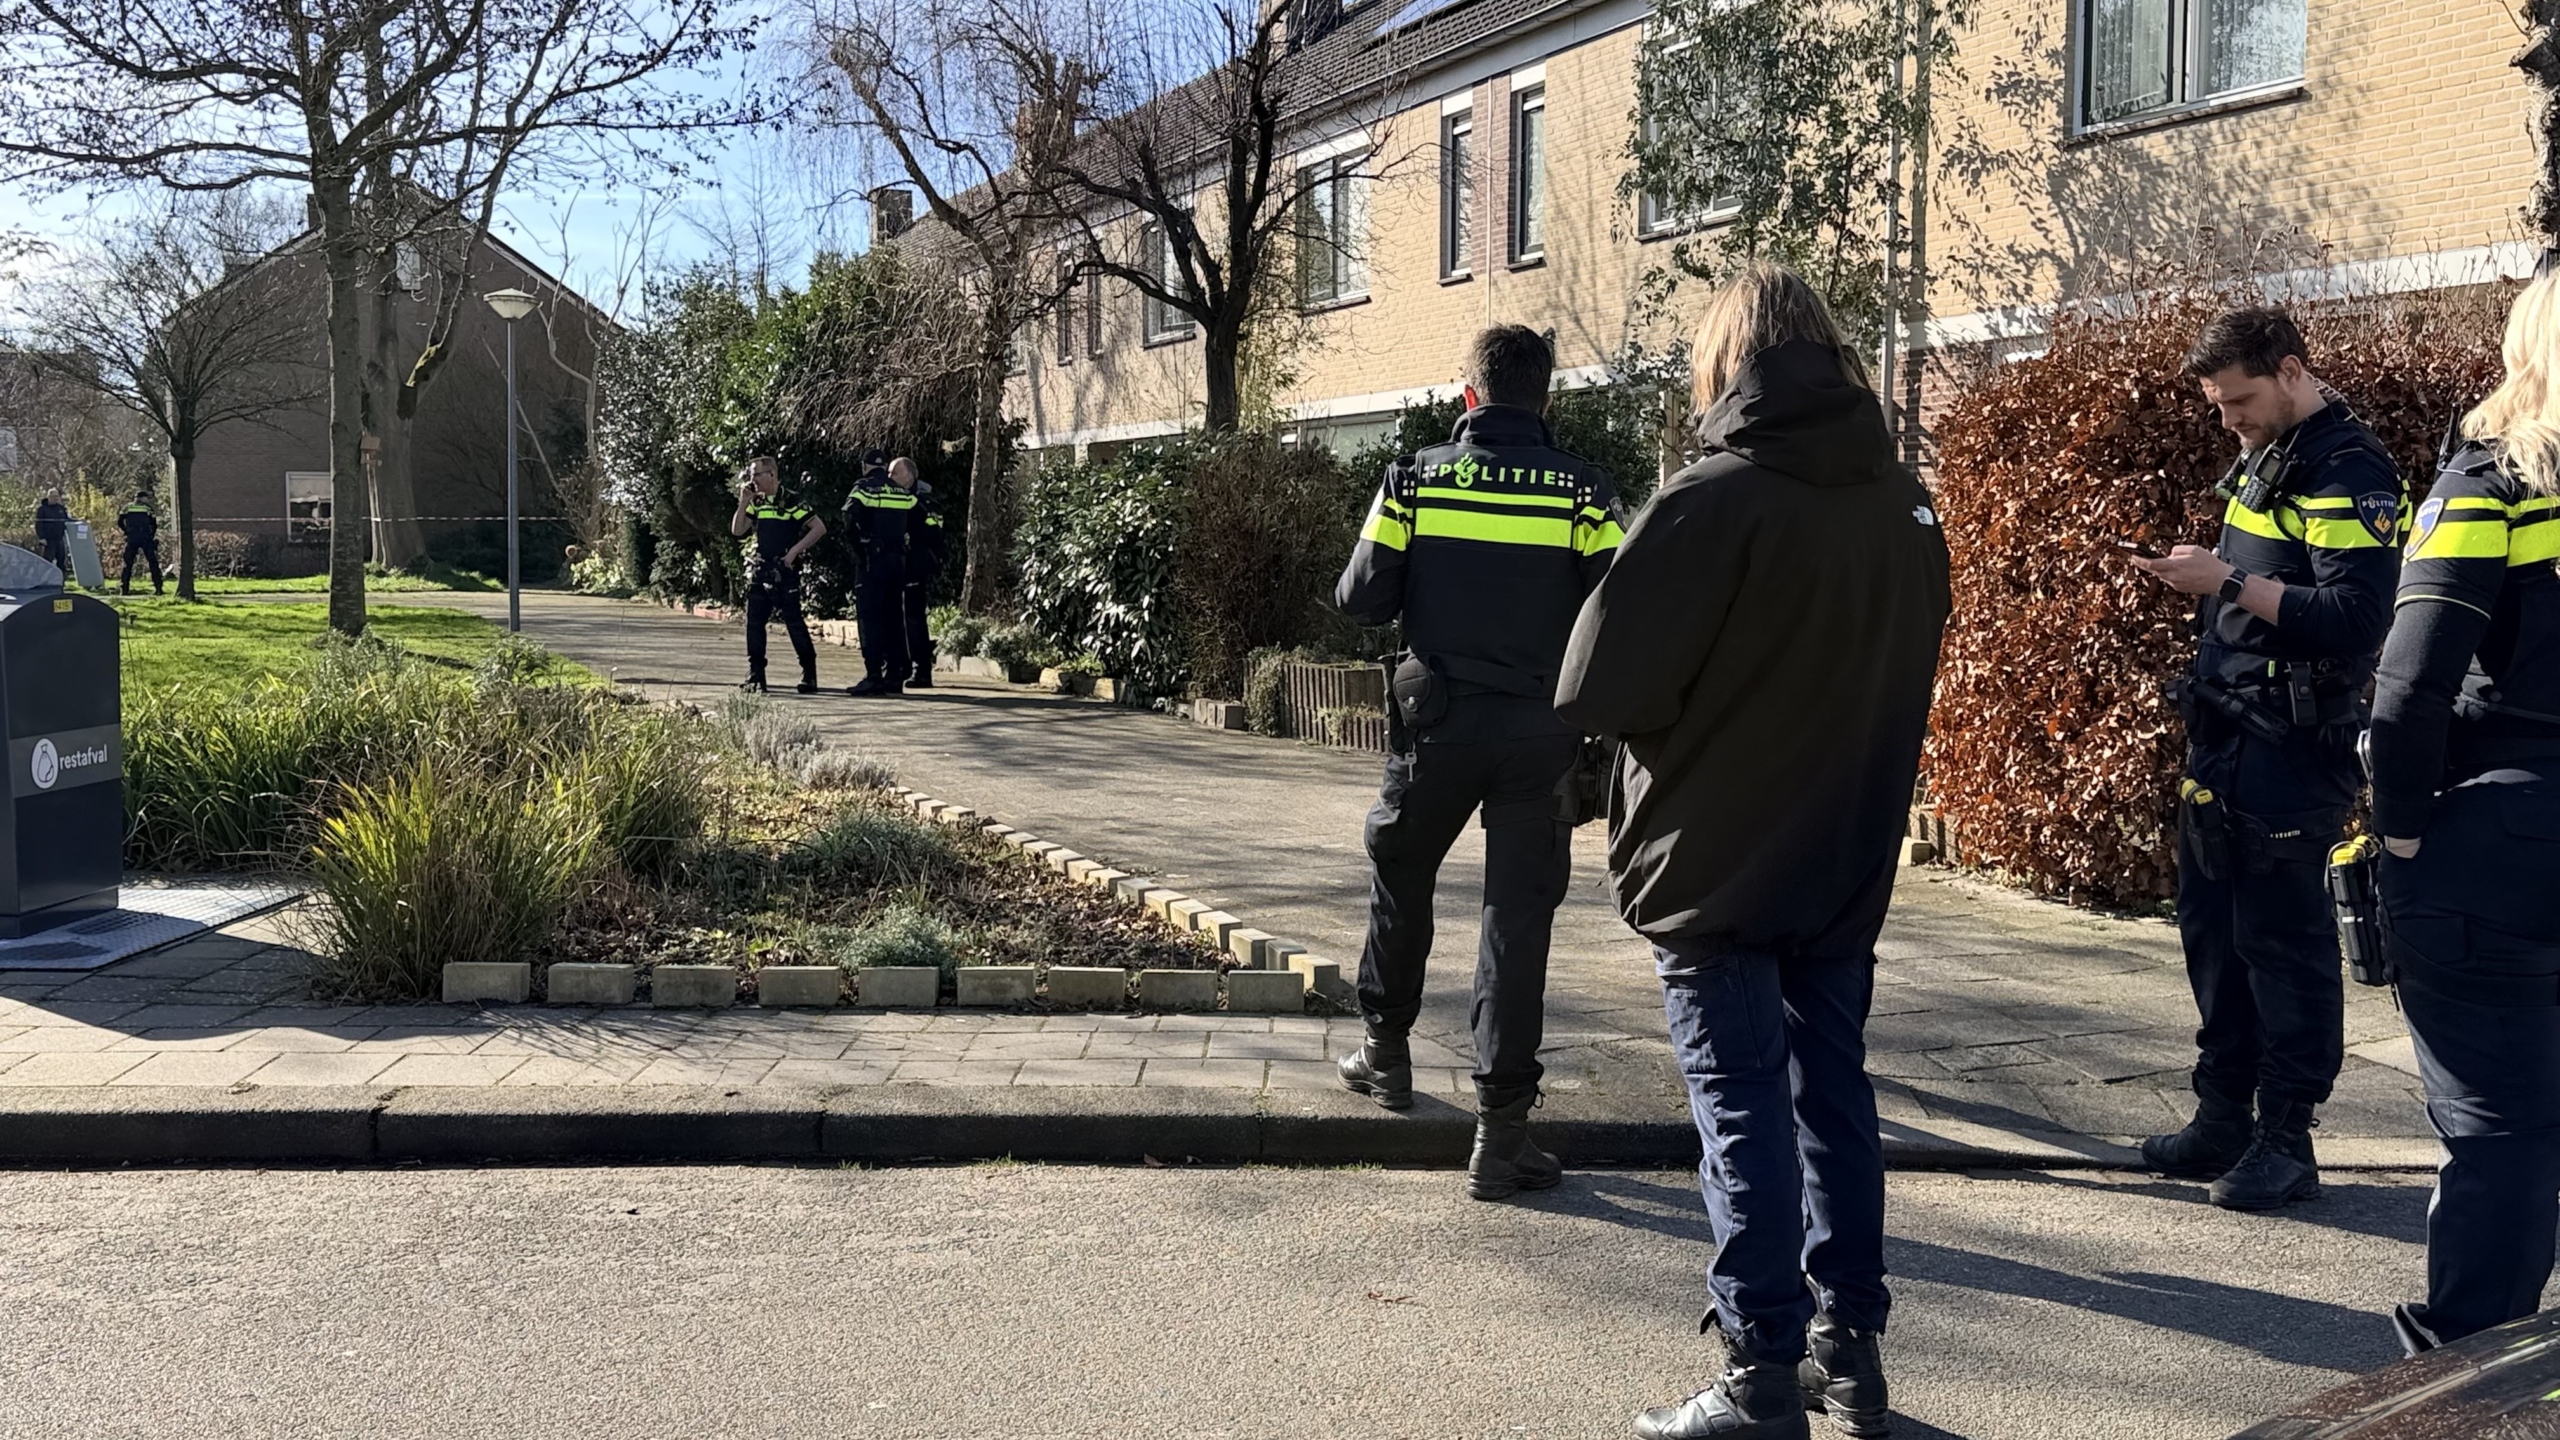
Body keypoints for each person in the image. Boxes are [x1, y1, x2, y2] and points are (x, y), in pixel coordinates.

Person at [1555, 266, 1947, 1440]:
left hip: (1712, 858)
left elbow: (1597, 683)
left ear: (1728, 360)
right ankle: (1853, 1355)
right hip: (1844, 849)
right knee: (1835, 1100)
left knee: (1740, 1114)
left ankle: (1759, 1373)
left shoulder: (1707, 499)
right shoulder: (1906, 506)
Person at [1332, 323, 1622, 1201]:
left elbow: (1359, 598)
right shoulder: (1584, 492)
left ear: (1468, 397)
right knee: (1515, 921)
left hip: (1436, 726)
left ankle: (1385, 1055)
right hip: (1541, 734)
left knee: (1403, 875)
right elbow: (1619, 610)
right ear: (1545, 400)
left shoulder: (1414, 479)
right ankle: (1501, 1136)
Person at [2130, 307, 2404, 1211]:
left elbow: (2360, 616)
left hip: (2292, 749)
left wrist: (2230, 582)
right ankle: (2223, 1118)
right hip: (2229, 735)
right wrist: (2207, 571)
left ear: (2290, 371)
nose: (2228, 421)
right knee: (2214, 935)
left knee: (2283, 947)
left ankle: (2288, 1139)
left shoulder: (2349, 467)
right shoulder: (2269, 453)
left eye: (2239, 400)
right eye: (2217, 405)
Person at [2367, 270, 2560, 1354]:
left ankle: (2467, 1382)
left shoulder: (2494, 480)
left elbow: (2407, 688)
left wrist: (2398, 832)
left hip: (2500, 837)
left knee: (2500, 1131)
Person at [727, 455, 825, 694]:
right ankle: (756, 675)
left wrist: (793, 552)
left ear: (771, 475)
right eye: (750, 476)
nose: (752, 480)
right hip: (761, 568)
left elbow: (819, 528)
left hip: (785, 569)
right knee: (754, 623)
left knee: (794, 622)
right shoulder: (756, 502)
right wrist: (743, 503)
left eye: (756, 475)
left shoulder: (791, 499)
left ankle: (808, 674)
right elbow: (737, 530)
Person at [843, 448, 915, 697]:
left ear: (865, 466)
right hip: (897, 563)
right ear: (885, 468)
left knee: (870, 619)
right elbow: (920, 517)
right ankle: (893, 676)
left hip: (872, 563)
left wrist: (859, 551)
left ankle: (873, 675)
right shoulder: (900, 491)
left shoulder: (863, 488)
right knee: (894, 619)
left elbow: (848, 517)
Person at [891, 458, 946, 688]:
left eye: (894, 473)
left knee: (913, 618)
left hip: (915, 565)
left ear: (909, 476)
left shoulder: (923, 500)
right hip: (898, 565)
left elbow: (935, 531)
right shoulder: (895, 498)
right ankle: (902, 666)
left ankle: (921, 670)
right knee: (898, 617)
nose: (890, 477)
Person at [117, 486, 163, 596]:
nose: (148, 500)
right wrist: (151, 535)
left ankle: (124, 588)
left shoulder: (127, 508)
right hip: (145, 537)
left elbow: (119, 522)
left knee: (128, 563)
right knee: (152, 562)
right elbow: (154, 524)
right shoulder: (147, 508)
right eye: (146, 498)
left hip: (132, 537)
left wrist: (126, 531)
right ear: (142, 498)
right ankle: (158, 587)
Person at [33, 487, 69, 575]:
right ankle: (44, 580)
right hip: (48, 540)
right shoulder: (42, 509)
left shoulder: (61, 508)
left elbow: (67, 520)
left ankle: (61, 580)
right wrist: (41, 538)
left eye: (57, 496)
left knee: (61, 561)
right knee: (47, 562)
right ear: (48, 497)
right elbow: (39, 524)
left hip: (59, 539)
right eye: (53, 496)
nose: (56, 498)